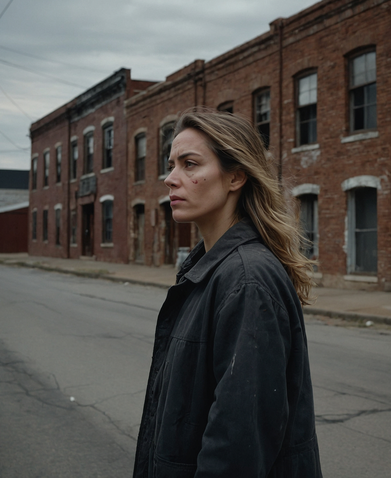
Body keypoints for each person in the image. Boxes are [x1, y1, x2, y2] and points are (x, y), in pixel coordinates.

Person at [133, 109, 322, 478]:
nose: (171, 179)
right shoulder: (210, 269)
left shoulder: (247, 280)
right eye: (172, 165)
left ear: (236, 176)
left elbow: (237, 448)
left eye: (190, 164)